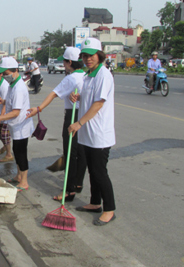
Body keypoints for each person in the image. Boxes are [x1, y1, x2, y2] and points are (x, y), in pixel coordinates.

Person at [27, 47, 87, 202]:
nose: (64, 65)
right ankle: (78, 183)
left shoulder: (71, 78)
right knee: (81, 152)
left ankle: (69, 190)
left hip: (73, 117)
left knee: (70, 154)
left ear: (69, 62)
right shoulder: (87, 75)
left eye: (65, 62)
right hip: (85, 117)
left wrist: (38, 108)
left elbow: (53, 94)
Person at [68, 38, 116, 226]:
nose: (88, 59)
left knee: (99, 172)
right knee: (92, 172)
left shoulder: (104, 75)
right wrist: (78, 97)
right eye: (85, 56)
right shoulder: (88, 76)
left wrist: (78, 123)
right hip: (87, 133)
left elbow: (98, 104)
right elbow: (89, 99)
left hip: (99, 134)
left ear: (100, 55)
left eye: (91, 55)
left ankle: (109, 209)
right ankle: (95, 203)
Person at [0, 57, 34, 192]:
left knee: (21, 153)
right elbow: (10, 102)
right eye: (3, 74)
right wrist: (2, 101)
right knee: (16, 150)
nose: (5, 77)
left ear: (15, 71)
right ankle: (19, 176)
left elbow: (15, 112)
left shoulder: (19, 87)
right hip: (15, 125)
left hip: (21, 125)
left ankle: (24, 181)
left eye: (6, 74)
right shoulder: (12, 85)